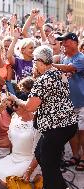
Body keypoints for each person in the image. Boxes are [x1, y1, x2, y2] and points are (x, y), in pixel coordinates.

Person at [8, 45, 78, 189]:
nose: (33, 64)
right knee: (40, 154)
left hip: (56, 128)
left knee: (48, 164)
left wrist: (15, 99)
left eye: (34, 61)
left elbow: (30, 107)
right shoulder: (59, 73)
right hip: (68, 124)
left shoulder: (42, 80)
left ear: (40, 61)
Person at [0, 77, 42, 187]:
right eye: (13, 106)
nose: (14, 108)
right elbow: (10, 141)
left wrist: (29, 170)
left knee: (5, 180)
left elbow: (40, 152)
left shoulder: (37, 122)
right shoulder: (15, 117)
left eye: (17, 105)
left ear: (25, 106)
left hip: (31, 160)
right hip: (14, 157)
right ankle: (31, 181)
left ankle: (36, 176)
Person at [53, 32, 84, 171]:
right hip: (68, 102)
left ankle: (83, 158)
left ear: (75, 43)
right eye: (62, 42)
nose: (63, 44)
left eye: (66, 41)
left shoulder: (81, 58)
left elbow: (70, 69)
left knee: (83, 131)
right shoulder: (64, 58)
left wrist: (50, 65)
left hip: (82, 102)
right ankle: (76, 156)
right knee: (72, 131)